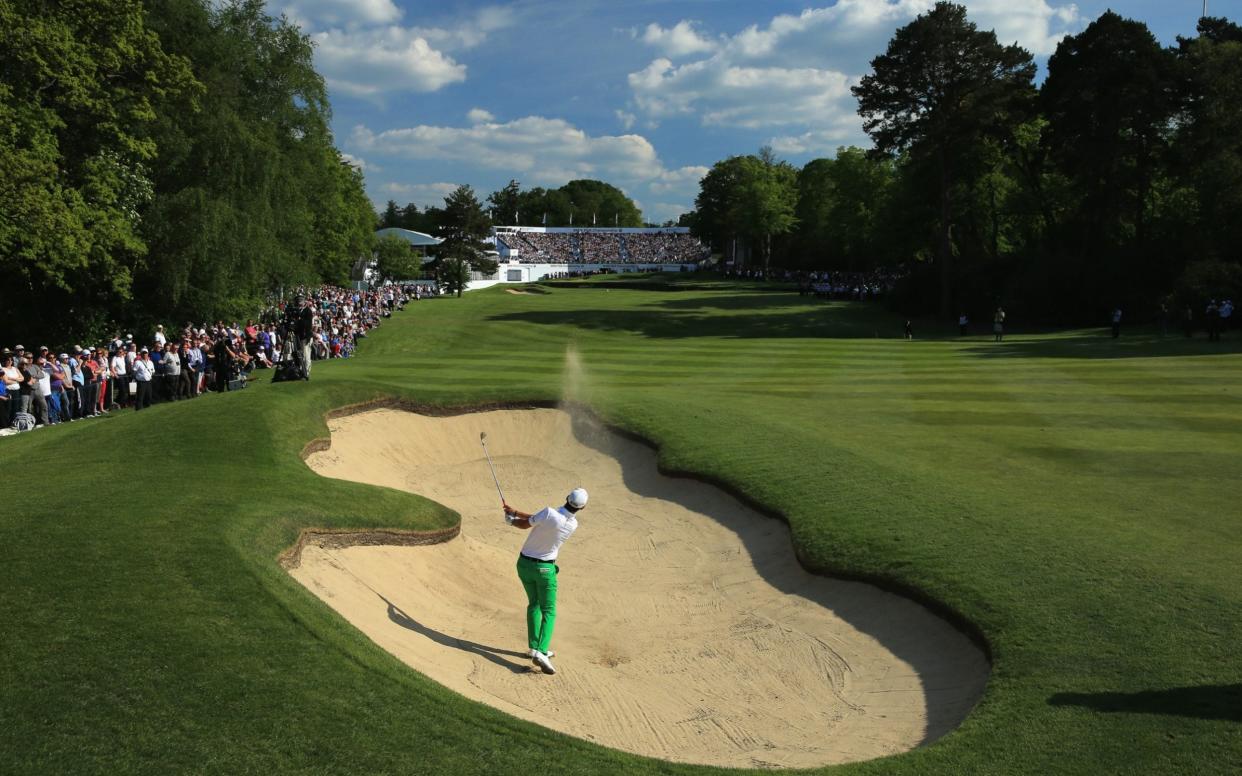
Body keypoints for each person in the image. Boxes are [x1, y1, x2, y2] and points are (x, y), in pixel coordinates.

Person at [503, 487, 589, 675]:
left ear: (566, 497)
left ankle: (534, 647)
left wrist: (512, 520)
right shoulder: (573, 525)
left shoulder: (548, 512)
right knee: (549, 611)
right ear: (581, 508)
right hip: (544, 570)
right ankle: (541, 652)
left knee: (534, 604)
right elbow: (540, 519)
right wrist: (515, 514)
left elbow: (527, 523)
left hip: (523, 565)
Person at [295, 295, 315, 379]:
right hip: (299, 336)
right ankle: (300, 371)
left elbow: (307, 325)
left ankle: (306, 373)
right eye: (298, 302)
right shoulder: (298, 311)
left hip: (306, 336)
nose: (299, 304)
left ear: (304, 302)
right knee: (300, 355)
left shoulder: (308, 311)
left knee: (306, 355)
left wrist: (298, 320)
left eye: (300, 302)